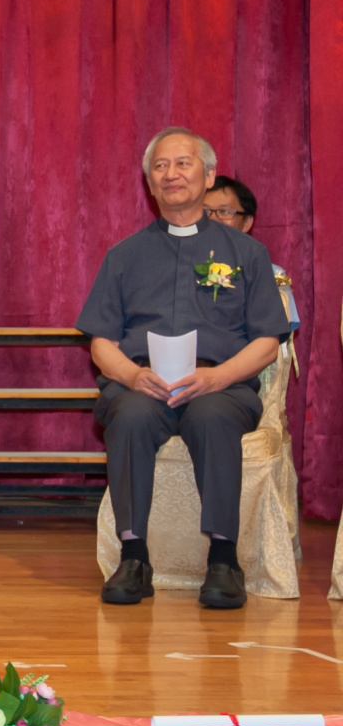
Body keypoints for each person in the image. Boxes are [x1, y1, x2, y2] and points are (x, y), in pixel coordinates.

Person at [78, 129, 290, 610]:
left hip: (221, 384)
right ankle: (133, 558)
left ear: (209, 175)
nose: (171, 174)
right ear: (149, 183)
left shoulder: (247, 255)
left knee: (212, 417)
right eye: (160, 166)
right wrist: (132, 376)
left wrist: (218, 377)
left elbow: (266, 341)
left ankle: (224, 560)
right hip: (142, 384)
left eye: (183, 163)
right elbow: (101, 342)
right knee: (129, 416)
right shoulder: (124, 256)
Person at [205, 175, 300, 330]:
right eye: (205, 211)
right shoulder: (180, 265)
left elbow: (273, 337)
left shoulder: (269, 274)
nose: (213, 219)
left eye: (224, 211)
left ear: (247, 223)